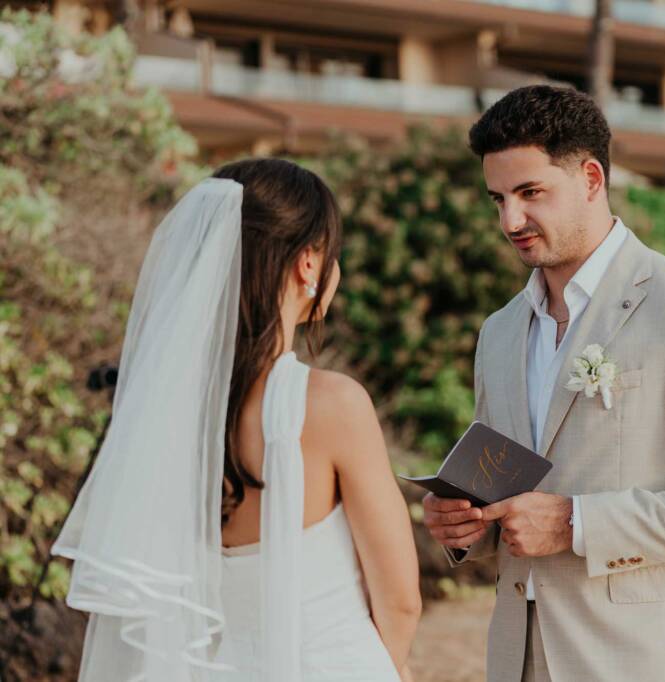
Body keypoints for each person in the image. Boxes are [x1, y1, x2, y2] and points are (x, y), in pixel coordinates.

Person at [422, 85, 665, 682]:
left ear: (591, 178)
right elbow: (508, 493)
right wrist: (463, 525)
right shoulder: (499, 332)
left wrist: (576, 523)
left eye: (530, 192)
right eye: (498, 198)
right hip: (518, 659)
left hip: (638, 660)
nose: (510, 220)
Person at [53, 158, 420, 682]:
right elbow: (401, 599)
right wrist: (396, 665)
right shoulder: (333, 404)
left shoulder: (165, 412)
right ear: (309, 265)